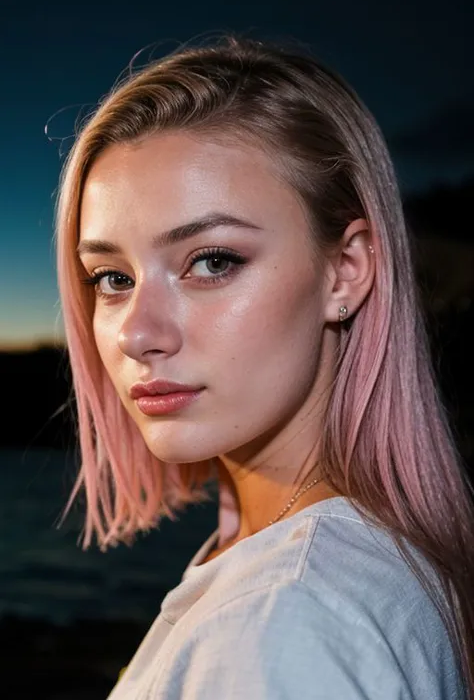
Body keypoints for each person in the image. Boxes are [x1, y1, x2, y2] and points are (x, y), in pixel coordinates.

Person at [54, 35, 473, 699]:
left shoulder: (284, 618)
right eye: (111, 276)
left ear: (347, 270)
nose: (136, 331)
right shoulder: (372, 560)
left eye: (213, 260)